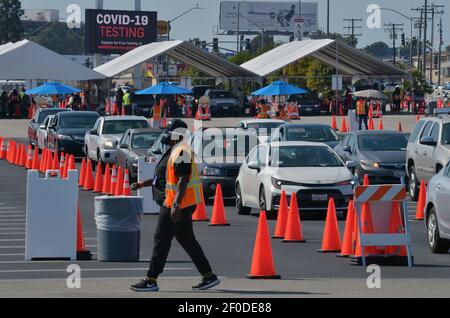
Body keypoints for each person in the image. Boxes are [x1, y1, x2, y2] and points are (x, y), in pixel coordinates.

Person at [130, 119, 219, 292]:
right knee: (188, 241)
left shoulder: (182, 151)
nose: (167, 136)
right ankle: (208, 276)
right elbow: (162, 178)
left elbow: (183, 179)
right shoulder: (175, 150)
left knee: (161, 240)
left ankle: (151, 279)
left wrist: (176, 205)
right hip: (179, 203)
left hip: (176, 204)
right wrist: (142, 184)